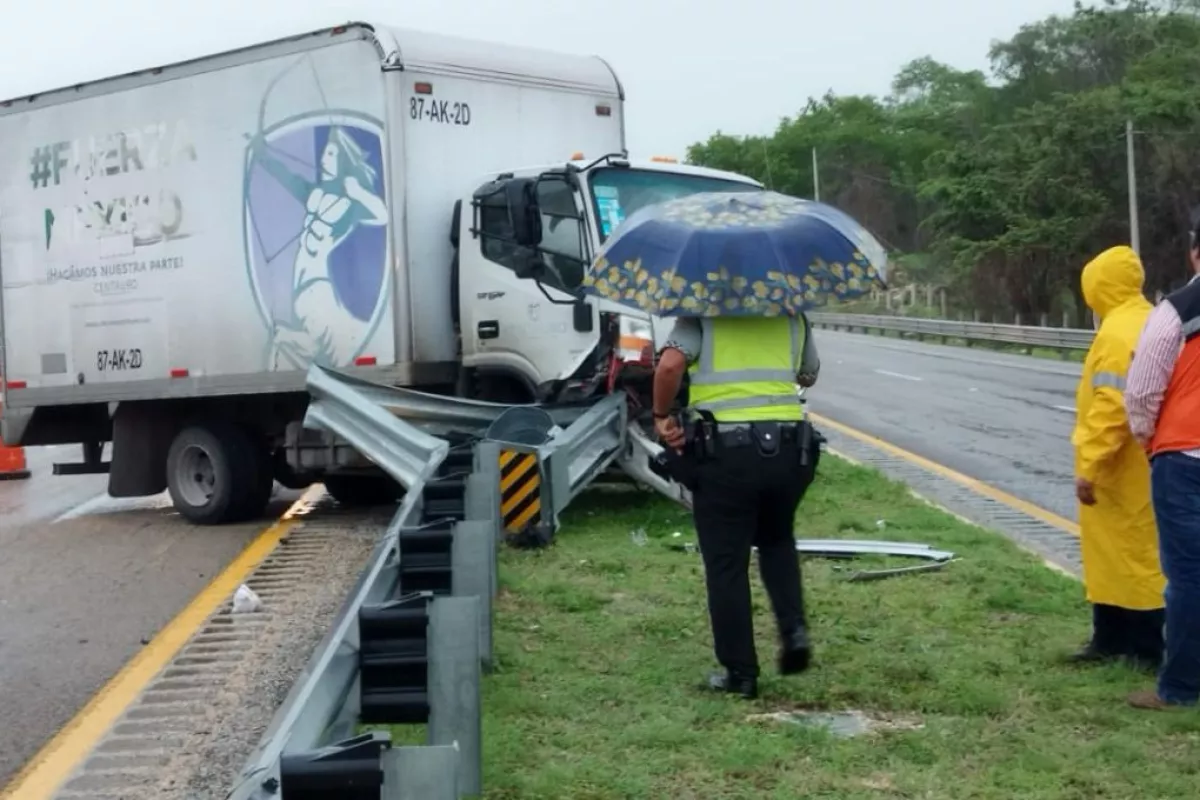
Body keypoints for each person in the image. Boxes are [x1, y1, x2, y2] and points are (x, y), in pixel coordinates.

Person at [652, 310, 821, 699]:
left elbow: (669, 367)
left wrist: (661, 416)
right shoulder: (793, 315)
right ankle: (793, 630)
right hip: (790, 451)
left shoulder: (699, 318)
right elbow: (808, 374)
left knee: (727, 561)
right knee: (777, 540)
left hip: (725, 454)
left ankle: (741, 673)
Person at [1067, 245, 1164, 672]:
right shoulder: (1150, 320)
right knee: (1121, 553)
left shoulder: (1117, 332)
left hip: (1120, 467)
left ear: (1098, 285)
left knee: (1133, 557)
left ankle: (1142, 648)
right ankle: (1109, 639)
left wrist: (1090, 465)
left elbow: (1111, 407)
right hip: (1143, 462)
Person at [1124, 221, 1200, 710]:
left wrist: (1150, 439)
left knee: (1191, 578)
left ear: (1195, 253)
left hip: (1186, 457)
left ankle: (1181, 689)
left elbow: (1143, 390)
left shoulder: (1177, 310)